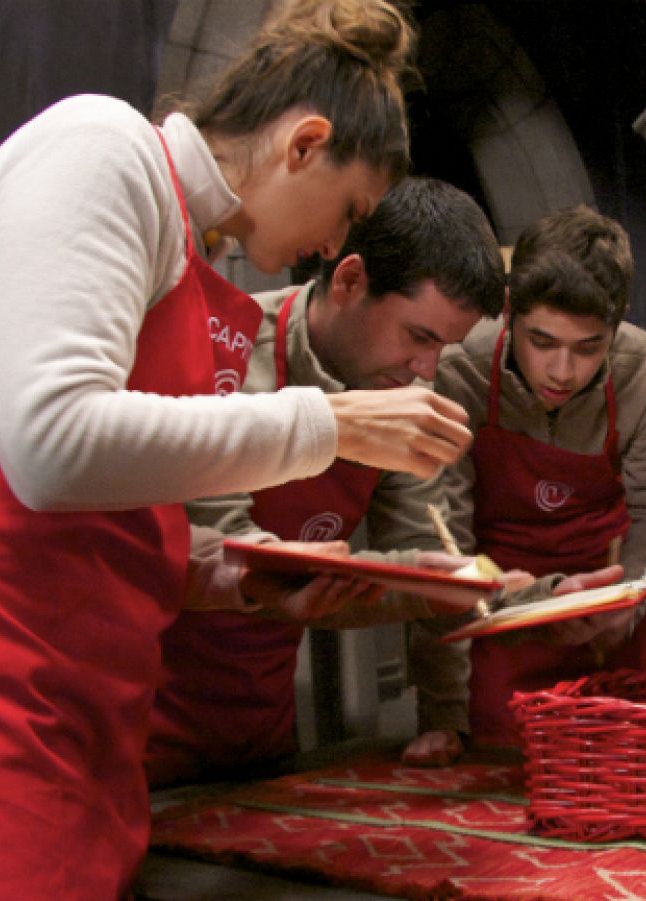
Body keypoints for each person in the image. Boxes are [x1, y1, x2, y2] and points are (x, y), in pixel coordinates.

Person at [0, 2, 477, 897]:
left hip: (56, 693)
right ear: (303, 144)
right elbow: (51, 445)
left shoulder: (187, 260)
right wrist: (332, 423)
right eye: (349, 210)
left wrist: (236, 578)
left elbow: (114, 506)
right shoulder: (100, 147)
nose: (335, 245)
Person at [145, 176, 506, 787]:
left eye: (445, 347)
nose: (427, 369)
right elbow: (212, 548)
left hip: (262, 721)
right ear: (349, 280)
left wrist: (445, 715)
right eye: (419, 336)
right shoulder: (225, 351)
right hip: (138, 711)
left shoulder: (405, 388)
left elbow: (426, 558)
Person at [433, 205, 646, 748]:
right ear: (508, 312)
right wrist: (442, 713)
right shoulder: (459, 371)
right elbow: (444, 535)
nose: (562, 372)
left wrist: (629, 604)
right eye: (542, 342)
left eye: (588, 348)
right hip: (497, 615)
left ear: (615, 329)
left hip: (606, 614)